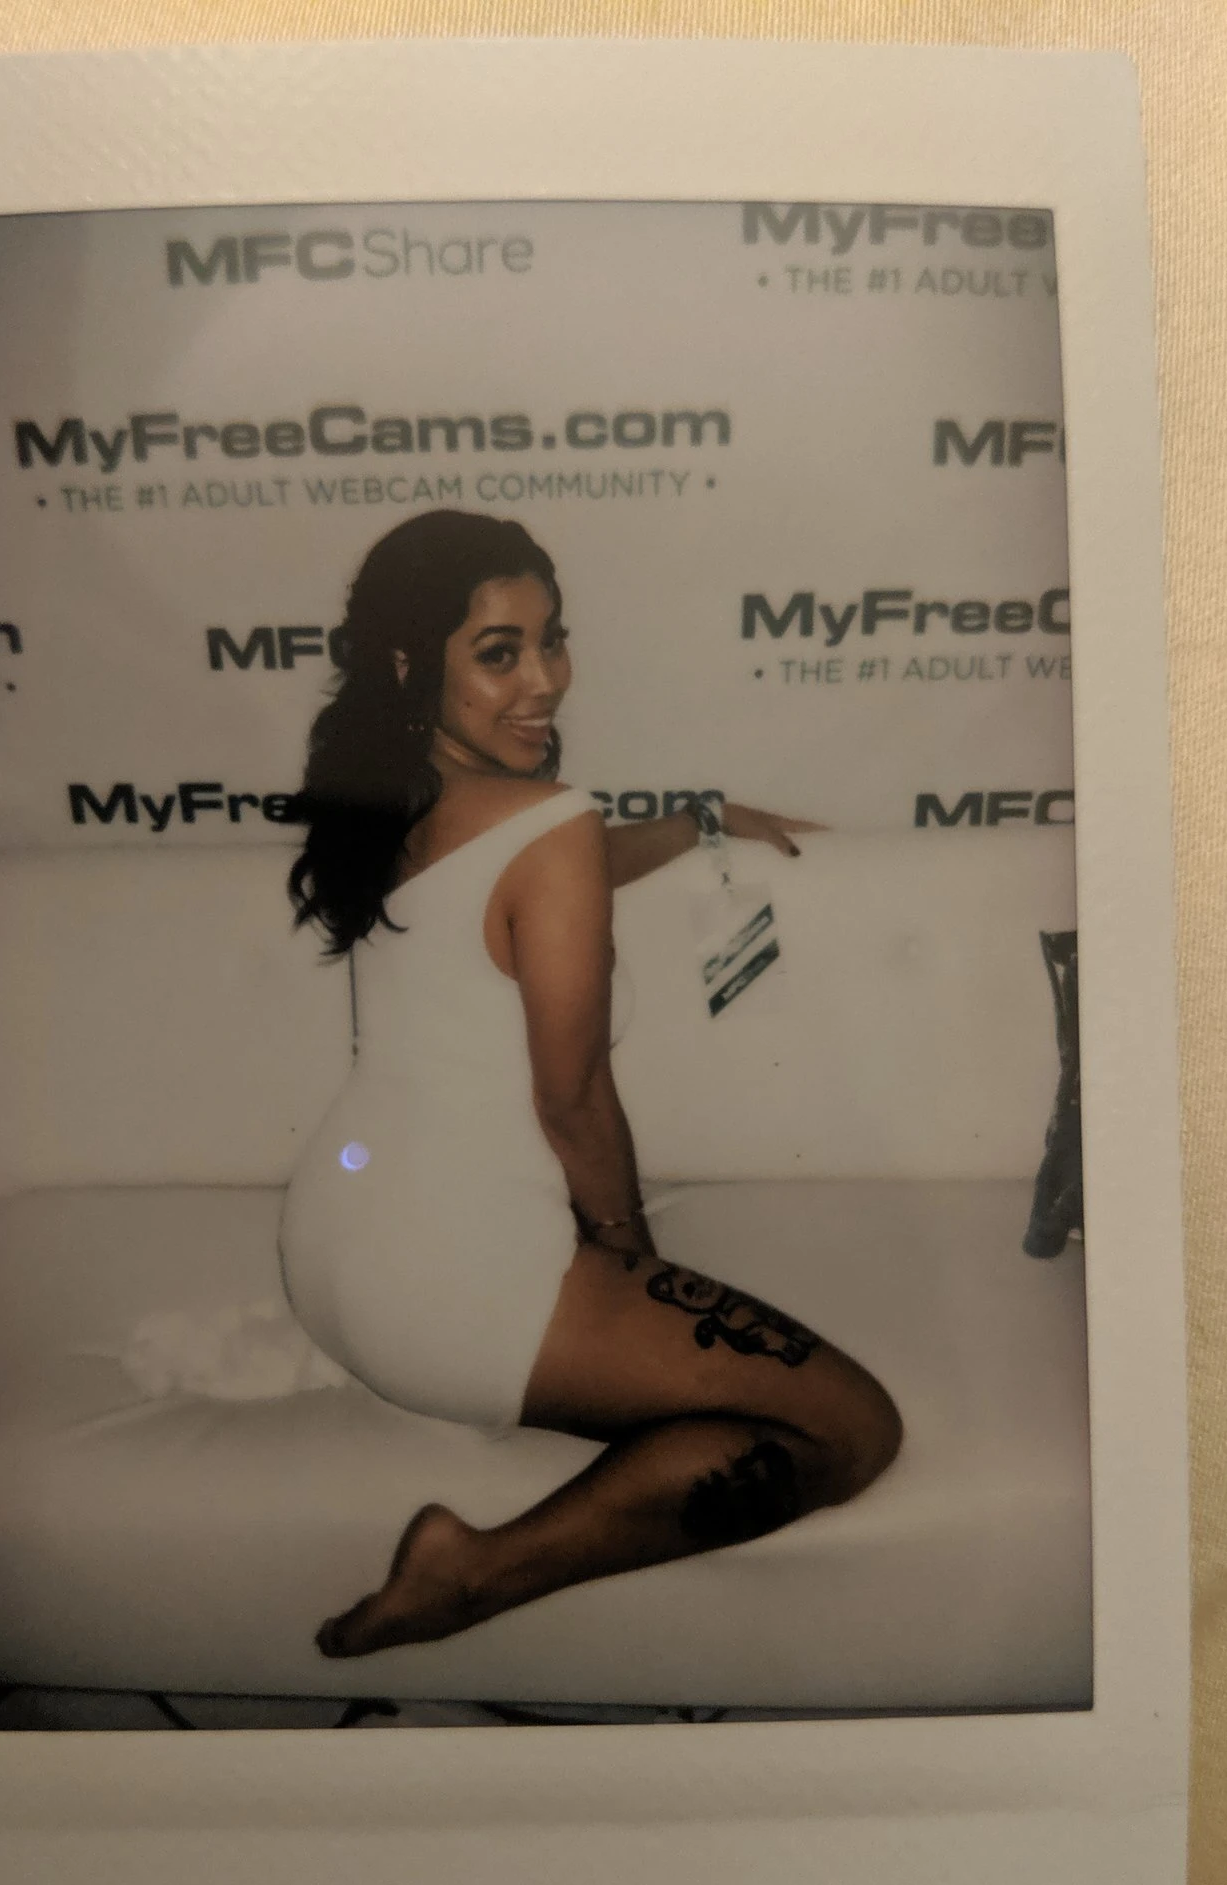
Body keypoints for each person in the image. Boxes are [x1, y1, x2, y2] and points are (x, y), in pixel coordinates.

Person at [279, 510, 901, 1658]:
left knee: (757, 1414)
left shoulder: (396, 797)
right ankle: (475, 1571)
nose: (545, 680)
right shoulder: (545, 824)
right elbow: (572, 1101)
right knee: (853, 1431)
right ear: (414, 662)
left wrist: (697, 824)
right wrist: (627, 1253)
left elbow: (545, 872)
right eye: (499, 652)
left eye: (551, 640)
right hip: (451, 1290)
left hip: (338, 1250)